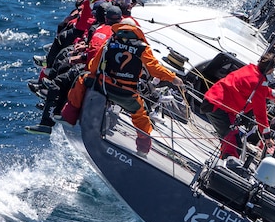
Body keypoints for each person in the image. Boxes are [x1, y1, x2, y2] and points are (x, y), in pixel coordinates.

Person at [61, 19, 183, 154]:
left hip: (103, 87)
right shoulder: (143, 48)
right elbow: (154, 69)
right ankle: (143, 149)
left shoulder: (109, 43)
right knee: (141, 116)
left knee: (82, 79)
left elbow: (94, 66)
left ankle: (69, 117)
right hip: (127, 94)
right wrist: (173, 78)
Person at [25, 4, 123, 136]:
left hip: (96, 71)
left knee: (59, 83)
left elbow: (94, 54)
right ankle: (56, 105)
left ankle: (47, 122)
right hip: (118, 74)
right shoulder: (127, 31)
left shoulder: (102, 30)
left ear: (106, 18)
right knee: (67, 68)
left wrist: (79, 58)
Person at [200, 53, 275, 159]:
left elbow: (258, 89)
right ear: (271, 70)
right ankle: (223, 169)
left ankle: (223, 162)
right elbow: (261, 113)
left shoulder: (250, 69)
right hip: (218, 107)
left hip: (215, 101)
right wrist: (267, 136)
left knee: (234, 141)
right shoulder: (259, 84)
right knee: (233, 144)